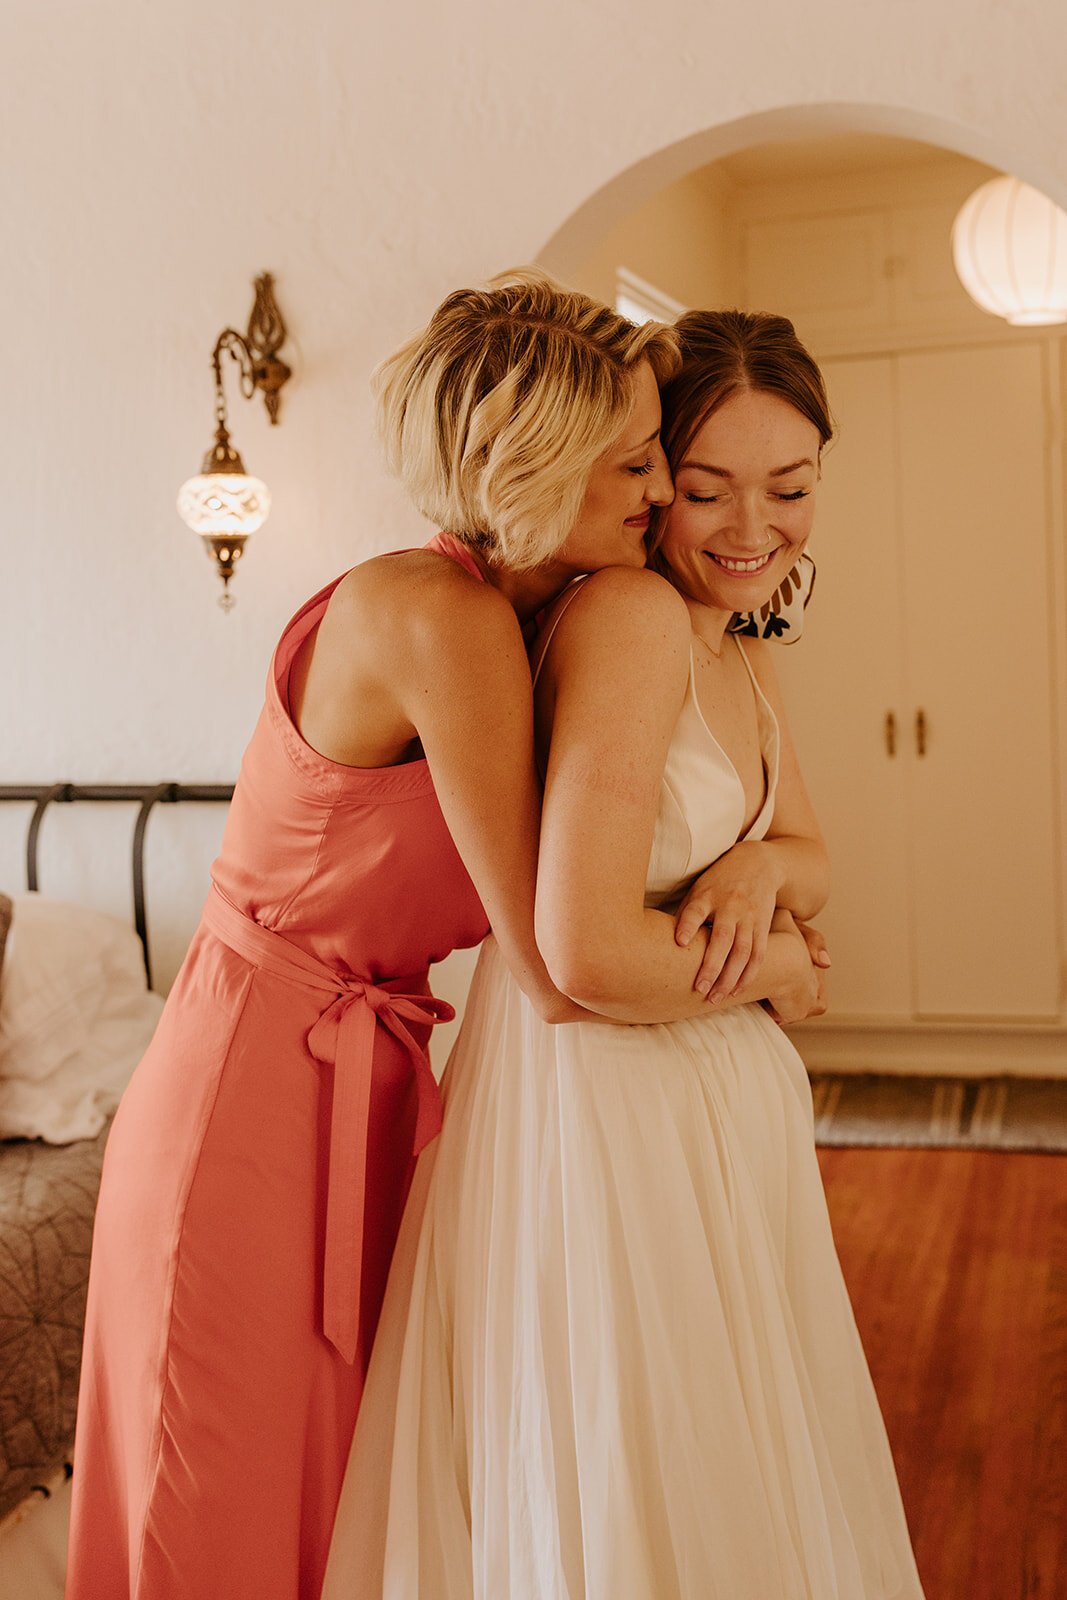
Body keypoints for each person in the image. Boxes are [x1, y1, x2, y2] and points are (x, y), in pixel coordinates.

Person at [64, 270, 684, 1600]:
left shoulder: (523, 618)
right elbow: (556, 961)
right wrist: (768, 964)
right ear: (540, 463)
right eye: (634, 460)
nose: (661, 487)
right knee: (219, 1496)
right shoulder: (435, 615)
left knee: (339, 1486)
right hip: (250, 1091)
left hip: (353, 1077)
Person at [323, 309, 926, 1599]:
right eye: (699, 485)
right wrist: (780, 969)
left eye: (793, 488)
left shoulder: (729, 639)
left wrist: (765, 872)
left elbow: (808, 847)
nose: (752, 527)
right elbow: (583, 951)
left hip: (694, 1108)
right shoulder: (637, 619)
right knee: (643, 1486)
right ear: (646, 486)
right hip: (613, 1110)